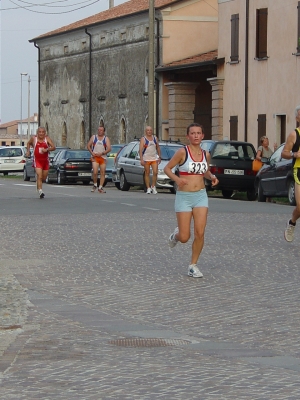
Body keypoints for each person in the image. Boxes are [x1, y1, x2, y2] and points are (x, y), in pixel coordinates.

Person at [164, 123, 219, 278]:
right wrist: (177, 180)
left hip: (201, 195)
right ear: (188, 136)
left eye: (198, 133)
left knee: (200, 233)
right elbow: (167, 168)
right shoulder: (182, 152)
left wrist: (213, 177)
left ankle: (193, 265)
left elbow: (205, 171)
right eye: (193, 133)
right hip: (184, 197)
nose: (196, 136)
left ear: (202, 136)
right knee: (184, 237)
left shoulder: (206, 154)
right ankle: (176, 235)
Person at [281, 105, 300, 242]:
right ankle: (292, 222)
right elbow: (284, 153)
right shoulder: (294, 134)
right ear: (297, 117)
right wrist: (295, 154)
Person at [26, 127, 56, 199]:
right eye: (40, 132)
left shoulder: (47, 139)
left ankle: (38, 184)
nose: (41, 133)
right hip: (37, 160)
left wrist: (47, 149)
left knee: (44, 178)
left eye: (43, 132)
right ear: (37, 133)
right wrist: (28, 151)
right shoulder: (34, 139)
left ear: (45, 133)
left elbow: (54, 147)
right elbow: (28, 143)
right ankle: (40, 191)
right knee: (40, 176)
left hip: (45, 161)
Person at [87, 126, 111, 193]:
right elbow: (88, 145)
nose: (99, 131)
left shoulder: (106, 139)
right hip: (95, 157)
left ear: (104, 131)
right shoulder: (94, 137)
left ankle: (100, 187)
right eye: (98, 130)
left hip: (102, 157)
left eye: (101, 130)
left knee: (102, 173)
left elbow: (109, 148)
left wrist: (102, 153)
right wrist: (92, 153)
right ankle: (95, 184)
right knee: (95, 172)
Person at [139, 126, 161, 194]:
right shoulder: (143, 139)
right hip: (146, 158)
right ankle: (148, 187)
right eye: (148, 130)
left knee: (155, 172)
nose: (149, 131)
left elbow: (158, 147)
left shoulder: (155, 138)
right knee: (147, 172)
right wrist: (141, 159)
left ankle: (153, 186)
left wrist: (159, 157)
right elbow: (140, 150)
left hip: (154, 158)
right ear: (146, 131)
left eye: (150, 130)